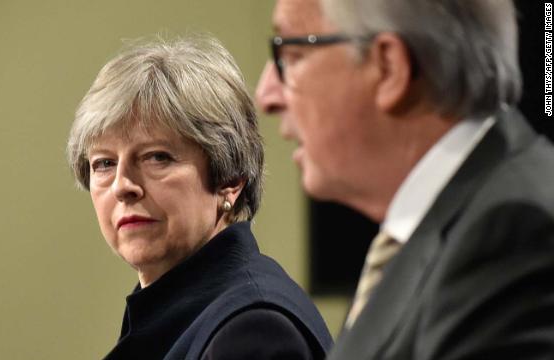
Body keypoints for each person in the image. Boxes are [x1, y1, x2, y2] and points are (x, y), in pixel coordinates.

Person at [256, 0, 554, 359]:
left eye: (293, 55)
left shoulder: (512, 233)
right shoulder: (450, 226)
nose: (266, 96)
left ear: (388, 67)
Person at [66, 35, 332, 359]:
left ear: (230, 180)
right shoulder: (176, 313)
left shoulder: (254, 330)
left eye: (157, 157)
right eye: (104, 163)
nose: (123, 185)